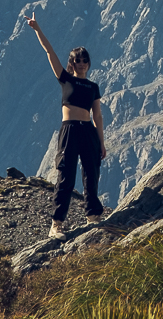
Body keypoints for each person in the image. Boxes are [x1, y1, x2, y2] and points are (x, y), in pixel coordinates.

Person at [25, 12, 107, 237]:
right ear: (71, 63)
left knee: (91, 174)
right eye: (76, 60)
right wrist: (37, 29)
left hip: (88, 131)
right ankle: (57, 224)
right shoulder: (66, 79)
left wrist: (101, 142)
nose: (80, 63)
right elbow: (50, 52)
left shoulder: (93, 87)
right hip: (69, 131)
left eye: (84, 60)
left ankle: (93, 216)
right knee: (66, 177)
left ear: (88, 63)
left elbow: (97, 116)